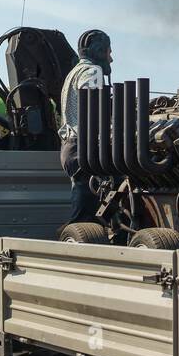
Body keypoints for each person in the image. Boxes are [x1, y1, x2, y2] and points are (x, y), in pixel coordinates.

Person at [58, 29, 113, 226]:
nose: (111, 59)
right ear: (99, 51)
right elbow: (93, 106)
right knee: (85, 215)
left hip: (70, 147)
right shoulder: (92, 71)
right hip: (84, 147)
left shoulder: (73, 73)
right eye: (109, 52)